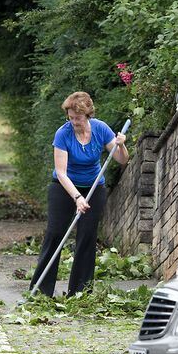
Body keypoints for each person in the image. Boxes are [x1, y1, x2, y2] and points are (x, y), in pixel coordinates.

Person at [29, 91, 128, 296]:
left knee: (87, 237)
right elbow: (62, 173)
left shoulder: (100, 129)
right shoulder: (62, 134)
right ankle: (40, 291)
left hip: (94, 188)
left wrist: (121, 145)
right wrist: (77, 198)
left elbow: (121, 159)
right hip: (64, 187)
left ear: (88, 114)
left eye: (78, 118)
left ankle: (80, 293)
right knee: (55, 234)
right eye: (71, 117)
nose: (74, 121)